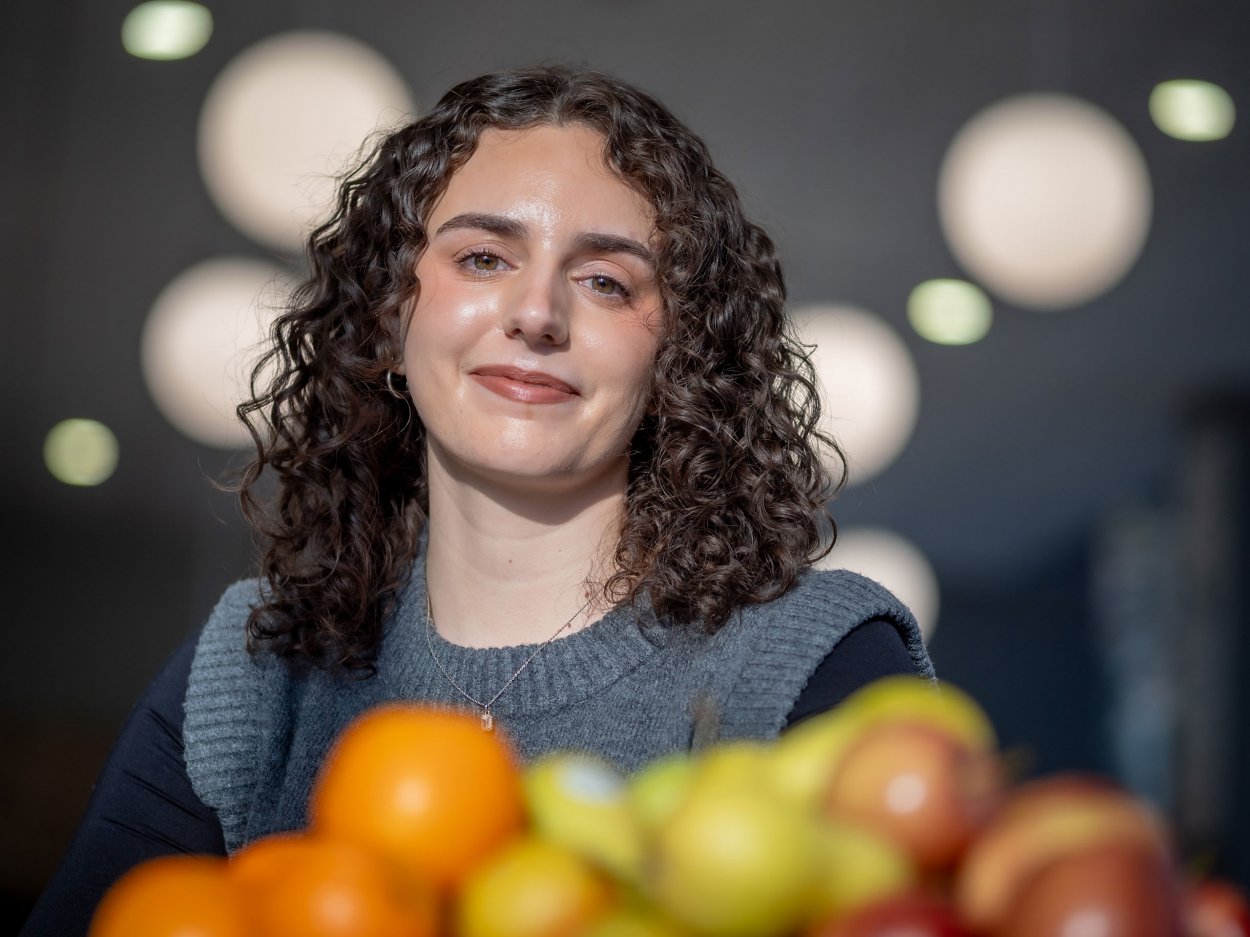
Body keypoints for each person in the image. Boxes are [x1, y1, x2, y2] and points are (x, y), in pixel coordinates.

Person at [21, 65, 931, 934]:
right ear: (389, 313)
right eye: (485, 257)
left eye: (607, 280)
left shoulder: (816, 659)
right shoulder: (257, 667)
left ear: (677, 361)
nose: (537, 313)